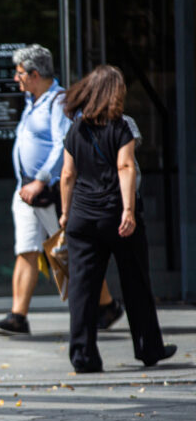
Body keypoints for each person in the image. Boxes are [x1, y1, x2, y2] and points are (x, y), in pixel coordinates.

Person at [0, 44, 122, 336]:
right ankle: (18, 316)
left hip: (49, 191)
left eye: (20, 73)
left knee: (68, 252)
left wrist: (41, 179)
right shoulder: (32, 101)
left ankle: (107, 305)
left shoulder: (58, 101)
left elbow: (64, 146)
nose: (15, 78)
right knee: (26, 251)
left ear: (35, 74)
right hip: (26, 192)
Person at [59, 64, 176, 372]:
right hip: (116, 215)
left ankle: (83, 357)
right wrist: (128, 210)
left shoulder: (76, 127)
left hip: (82, 218)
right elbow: (126, 167)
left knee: (82, 289)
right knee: (135, 281)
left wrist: (65, 213)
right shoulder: (121, 126)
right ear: (116, 93)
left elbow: (67, 175)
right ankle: (149, 348)